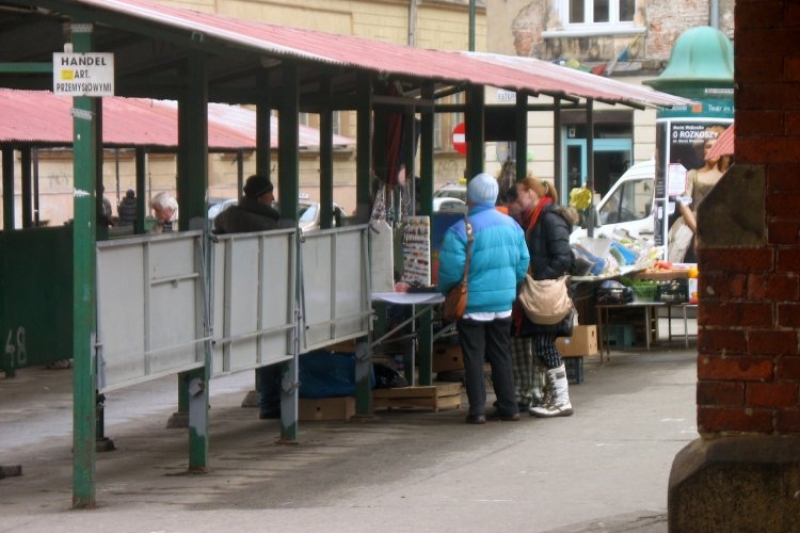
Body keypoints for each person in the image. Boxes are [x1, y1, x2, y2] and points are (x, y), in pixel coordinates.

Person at [437, 172, 529, 424]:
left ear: (470, 198)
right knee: (501, 354)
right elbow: (523, 262)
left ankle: (477, 409)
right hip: (503, 304)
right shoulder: (513, 226)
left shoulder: (461, 229)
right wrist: (511, 284)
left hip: (472, 306)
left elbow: (450, 270)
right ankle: (509, 407)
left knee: (474, 356)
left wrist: (445, 290)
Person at [214, 174, 293, 420]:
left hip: (236, 288)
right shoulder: (266, 223)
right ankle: (272, 404)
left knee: (266, 346)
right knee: (275, 344)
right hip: (267, 287)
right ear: (260, 197)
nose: (273, 197)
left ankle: (268, 402)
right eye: (270, 193)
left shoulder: (227, 215)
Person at [513, 175, 578, 418]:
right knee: (542, 345)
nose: (517, 200)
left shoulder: (548, 218)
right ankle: (556, 397)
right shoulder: (536, 218)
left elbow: (563, 257)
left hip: (547, 293)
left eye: (519, 194)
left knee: (544, 345)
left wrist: (540, 278)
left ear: (531, 193)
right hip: (542, 292)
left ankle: (562, 399)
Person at [669, 125, 728, 263]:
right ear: (702, 150)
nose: (713, 150)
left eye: (716, 146)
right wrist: (698, 230)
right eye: (708, 147)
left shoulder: (726, 177)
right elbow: (683, 205)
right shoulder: (692, 175)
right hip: (691, 226)